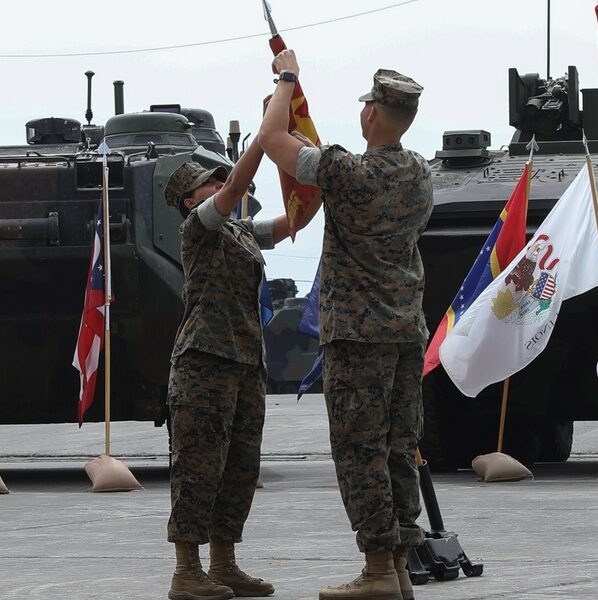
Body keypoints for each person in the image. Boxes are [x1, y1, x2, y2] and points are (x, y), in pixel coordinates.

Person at [259, 51, 432, 600]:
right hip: (406, 334)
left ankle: (379, 567)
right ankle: (399, 563)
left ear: (373, 115)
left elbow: (271, 140)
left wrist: (286, 80)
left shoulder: (346, 172)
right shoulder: (420, 174)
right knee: (398, 448)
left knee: (359, 450)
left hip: (358, 339)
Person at [164, 130, 292, 600]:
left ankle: (224, 563)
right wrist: (267, 136)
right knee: (198, 466)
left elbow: (292, 223)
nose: (219, 186)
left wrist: (308, 181)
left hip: (244, 363)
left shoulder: (239, 233)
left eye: (220, 180)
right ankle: (187, 570)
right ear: (187, 199)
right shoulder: (197, 227)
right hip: (204, 362)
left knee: (239, 466)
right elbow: (238, 187)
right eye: (208, 184)